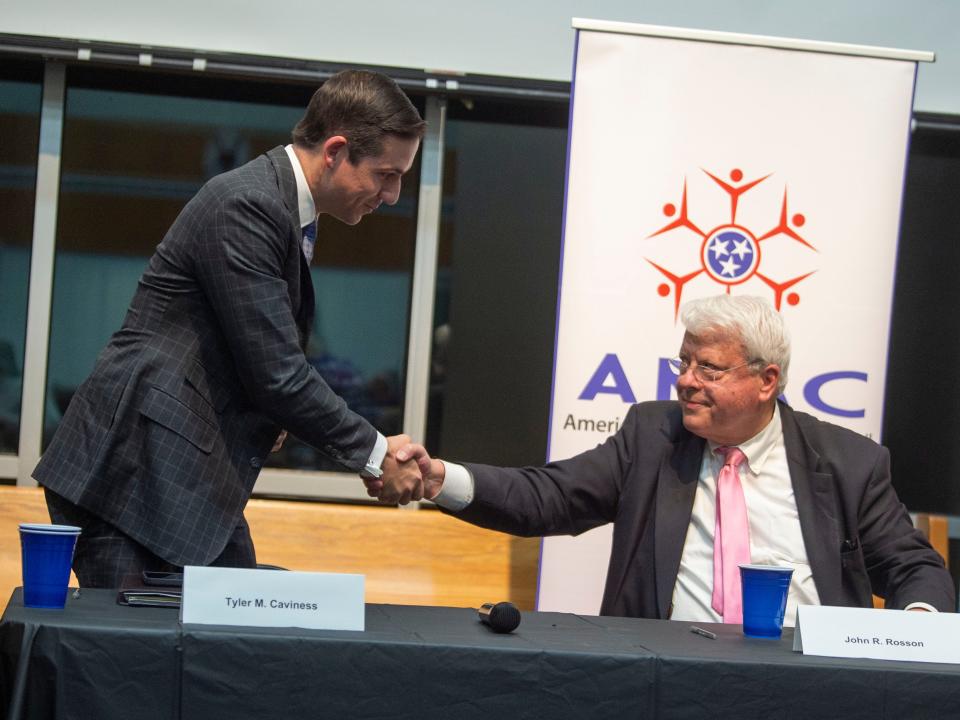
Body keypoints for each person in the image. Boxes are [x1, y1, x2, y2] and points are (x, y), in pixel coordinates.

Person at [35, 70, 426, 588]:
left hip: (179, 482)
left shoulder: (282, 211)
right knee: (143, 665)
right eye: (386, 174)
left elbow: (255, 363)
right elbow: (279, 375)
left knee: (236, 648)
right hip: (133, 480)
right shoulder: (250, 205)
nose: (394, 194)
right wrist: (377, 454)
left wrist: (272, 411)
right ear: (334, 151)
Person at [374, 295, 955, 624]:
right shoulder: (653, 436)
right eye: (683, 363)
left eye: (709, 369)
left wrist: (918, 626)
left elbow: (913, 567)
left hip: (810, 682)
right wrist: (437, 479)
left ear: (766, 381)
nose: (686, 382)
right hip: (669, 675)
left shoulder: (848, 462)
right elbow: (547, 497)